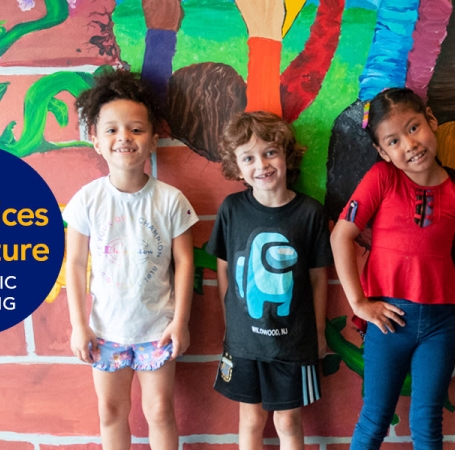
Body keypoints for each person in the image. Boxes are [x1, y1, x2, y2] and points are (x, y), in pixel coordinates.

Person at [330, 87, 455, 450]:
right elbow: (340, 237)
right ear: (382, 152)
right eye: (393, 141)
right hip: (389, 320)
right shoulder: (382, 179)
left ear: (431, 120)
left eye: (414, 128)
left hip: (442, 325)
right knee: (375, 416)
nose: (409, 145)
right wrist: (359, 304)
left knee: (427, 420)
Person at [64, 70, 199, 450]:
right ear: (95, 140)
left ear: (154, 140)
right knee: (110, 411)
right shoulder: (87, 201)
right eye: (111, 130)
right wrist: (79, 325)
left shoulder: (171, 200)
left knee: (160, 412)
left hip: (158, 329)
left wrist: (181, 322)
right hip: (103, 331)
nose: (124, 137)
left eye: (136, 129)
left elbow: (186, 263)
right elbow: (74, 265)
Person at [207, 111, 332, 450]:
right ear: (237, 166)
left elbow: (319, 279)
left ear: (286, 154)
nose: (261, 164)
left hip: (292, 343)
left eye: (270, 152)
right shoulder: (231, 209)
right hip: (244, 341)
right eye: (248, 157)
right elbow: (223, 267)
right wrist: (229, 318)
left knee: (288, 421)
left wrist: (319, 333)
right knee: (250, 420)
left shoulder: (310, 213)